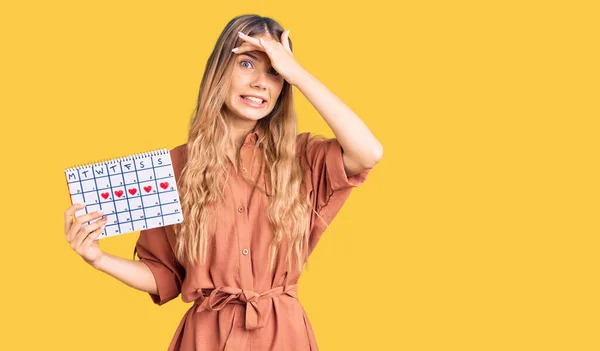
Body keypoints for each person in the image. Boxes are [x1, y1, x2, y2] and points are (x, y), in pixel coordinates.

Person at [63, 14, 383, 350]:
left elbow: (368, 152)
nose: (261, 82)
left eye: (274, 71)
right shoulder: (174, 166)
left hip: (285, 337)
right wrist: (97, 258)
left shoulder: (302, 157)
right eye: (247, 64)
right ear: (220, 71)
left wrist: (297, 73)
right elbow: (164, 276)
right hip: (205, 339)